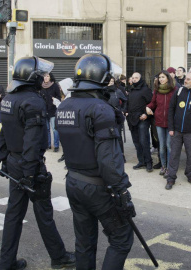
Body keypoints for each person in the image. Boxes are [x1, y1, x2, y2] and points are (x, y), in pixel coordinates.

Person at [56, 53, 135, 270]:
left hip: (73, 181)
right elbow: (108, 159)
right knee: (121, 238)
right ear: (102, 78)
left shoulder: (64, 106)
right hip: (98, 187)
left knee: (84, 242)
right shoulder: (100, 109)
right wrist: (121, 192)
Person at [0, 56, 75, 270]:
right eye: (39, 74)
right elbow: (32, 141)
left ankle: (7, 263)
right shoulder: (33, 101)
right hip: (29, 164)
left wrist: (4, 159)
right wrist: (31, 174)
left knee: (13, 213)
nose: (42, 77)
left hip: (13, 160)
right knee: (44, 213)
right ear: (32, 77)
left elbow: (4, 131)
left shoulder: (9, 97)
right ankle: (58, 257)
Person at [165, 71, 191, 190]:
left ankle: (190, 176)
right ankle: (171, 178)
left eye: (188, 79)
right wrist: (171, 127)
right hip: (177, 131)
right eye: (185, 79)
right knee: (174, 155)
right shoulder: (178, 92)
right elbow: (171, 110)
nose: (185, 81)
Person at [146, 70, 176, 176]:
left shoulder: (174, 90)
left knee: (169, 146)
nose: (161, 79)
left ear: (168, 78)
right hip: (159, 121)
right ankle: (163, 166)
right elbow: (153, 103)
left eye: (163, 77)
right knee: (162, 146)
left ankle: (169, 168)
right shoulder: (157, 91)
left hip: (170, 122)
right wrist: (148, 107)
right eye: (160, 77)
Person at [126, 72, 153, 172]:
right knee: (136, 142)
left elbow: (151, 103)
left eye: (136, 78)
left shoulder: (145, 89)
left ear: (140, 79)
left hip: (143, 119)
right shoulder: (130, 89)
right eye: (133, 78)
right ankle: (141, 161)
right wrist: (126, 112)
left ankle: (148, 162)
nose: (134, 79)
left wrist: (146, 114)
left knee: (143, 141)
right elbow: (127, 102)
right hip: (132, 119)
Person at [39, 73, 62, 152]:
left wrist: (54, 100)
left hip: (53, 110)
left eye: (47, 76)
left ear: (51, 77)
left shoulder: (55, 86)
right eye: (44, 76)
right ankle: (47, 145)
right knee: (46, 129)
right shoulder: (41, 86)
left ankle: (56, 145)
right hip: (44, 110)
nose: (46, 77)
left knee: (55, 129)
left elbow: (59, 97)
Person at [106, 77, 128, 158]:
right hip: (105, 117)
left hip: (117, 116)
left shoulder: (118, 91)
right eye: (109, 81)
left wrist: (123, 110)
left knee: (118, 136)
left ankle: (121, 155)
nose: (110, 83)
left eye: (112, 81)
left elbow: (125, 100)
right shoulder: (103, 92)